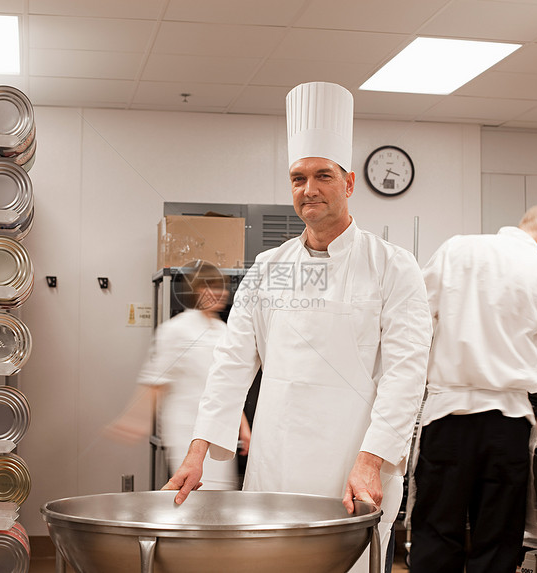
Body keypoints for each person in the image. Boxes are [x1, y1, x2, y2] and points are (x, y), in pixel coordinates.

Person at [164, 81, 432, 573]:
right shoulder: (268, 268)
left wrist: (371, 462)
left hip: (352, 468)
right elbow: (231, 364)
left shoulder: (394, 266)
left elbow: (405, 375)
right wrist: (197, 452)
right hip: (277, 465)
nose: (309, 189)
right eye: (298, 177)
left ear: (349, 183)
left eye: (323, 176)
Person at [408, 205, 537, 573]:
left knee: (435, 541)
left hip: (446, 420)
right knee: (496, 548)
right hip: (507, 428)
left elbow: (412, 329)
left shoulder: (455, 250)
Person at [109, 261, 251, 490]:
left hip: (217, 429)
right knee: (192, 492)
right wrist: (136, 420)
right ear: (195, 291)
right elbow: (155, 383)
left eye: (221, 287)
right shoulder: (175, 330)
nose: (219, 293)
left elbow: (227, 385)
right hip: (185, 427)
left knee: (218, 495)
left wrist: (243, 427)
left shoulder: (223, 331)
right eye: (210, 287)